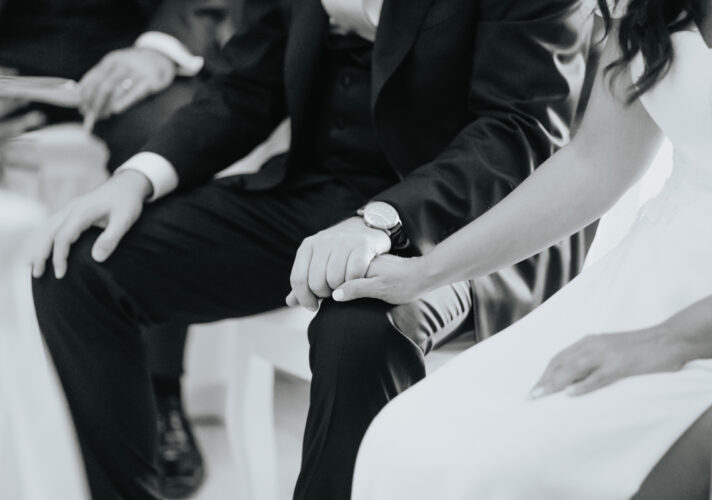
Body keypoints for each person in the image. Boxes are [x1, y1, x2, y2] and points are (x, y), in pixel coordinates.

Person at [28, 0, 594, 498]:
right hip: (319, 191)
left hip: (474, 222)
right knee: (80, 264)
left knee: (361, 324)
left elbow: (519, 128)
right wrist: (138, 177)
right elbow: (247, 83)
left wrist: (382, 219)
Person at [334, 0, 712, 498]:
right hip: (647, 278)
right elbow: (594, 165)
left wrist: (666, 340)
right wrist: (426, 271)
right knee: (403, 443)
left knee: (533, 471)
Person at [0, 0, 228, 496]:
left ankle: (159, 392)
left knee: (171, 134)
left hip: (128, 50)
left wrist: (159, 51)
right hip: (9, 61)